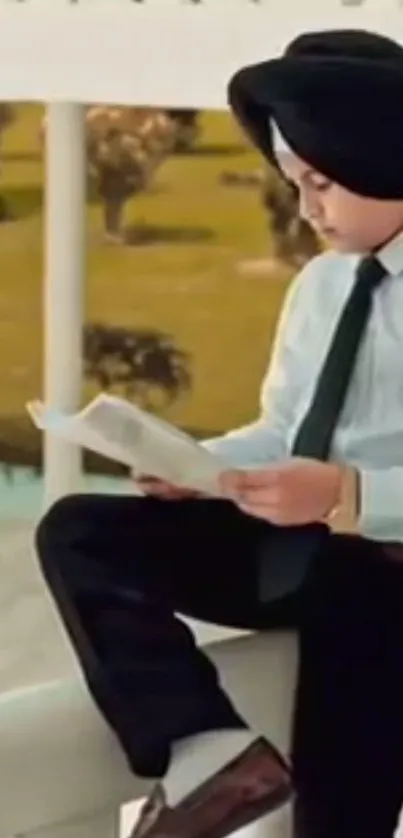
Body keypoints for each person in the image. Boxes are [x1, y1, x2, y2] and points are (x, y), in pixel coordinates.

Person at [36, 28, 403, 838]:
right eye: (292, 182)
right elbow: (286, 424)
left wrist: (353, 494)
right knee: (83, 530)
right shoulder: (321, 285)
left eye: (322, 182)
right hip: (299, 546)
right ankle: (207, 747)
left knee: (347, 771)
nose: (306, 208)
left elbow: (341, 485)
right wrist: (203, 468)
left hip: (383, 571)